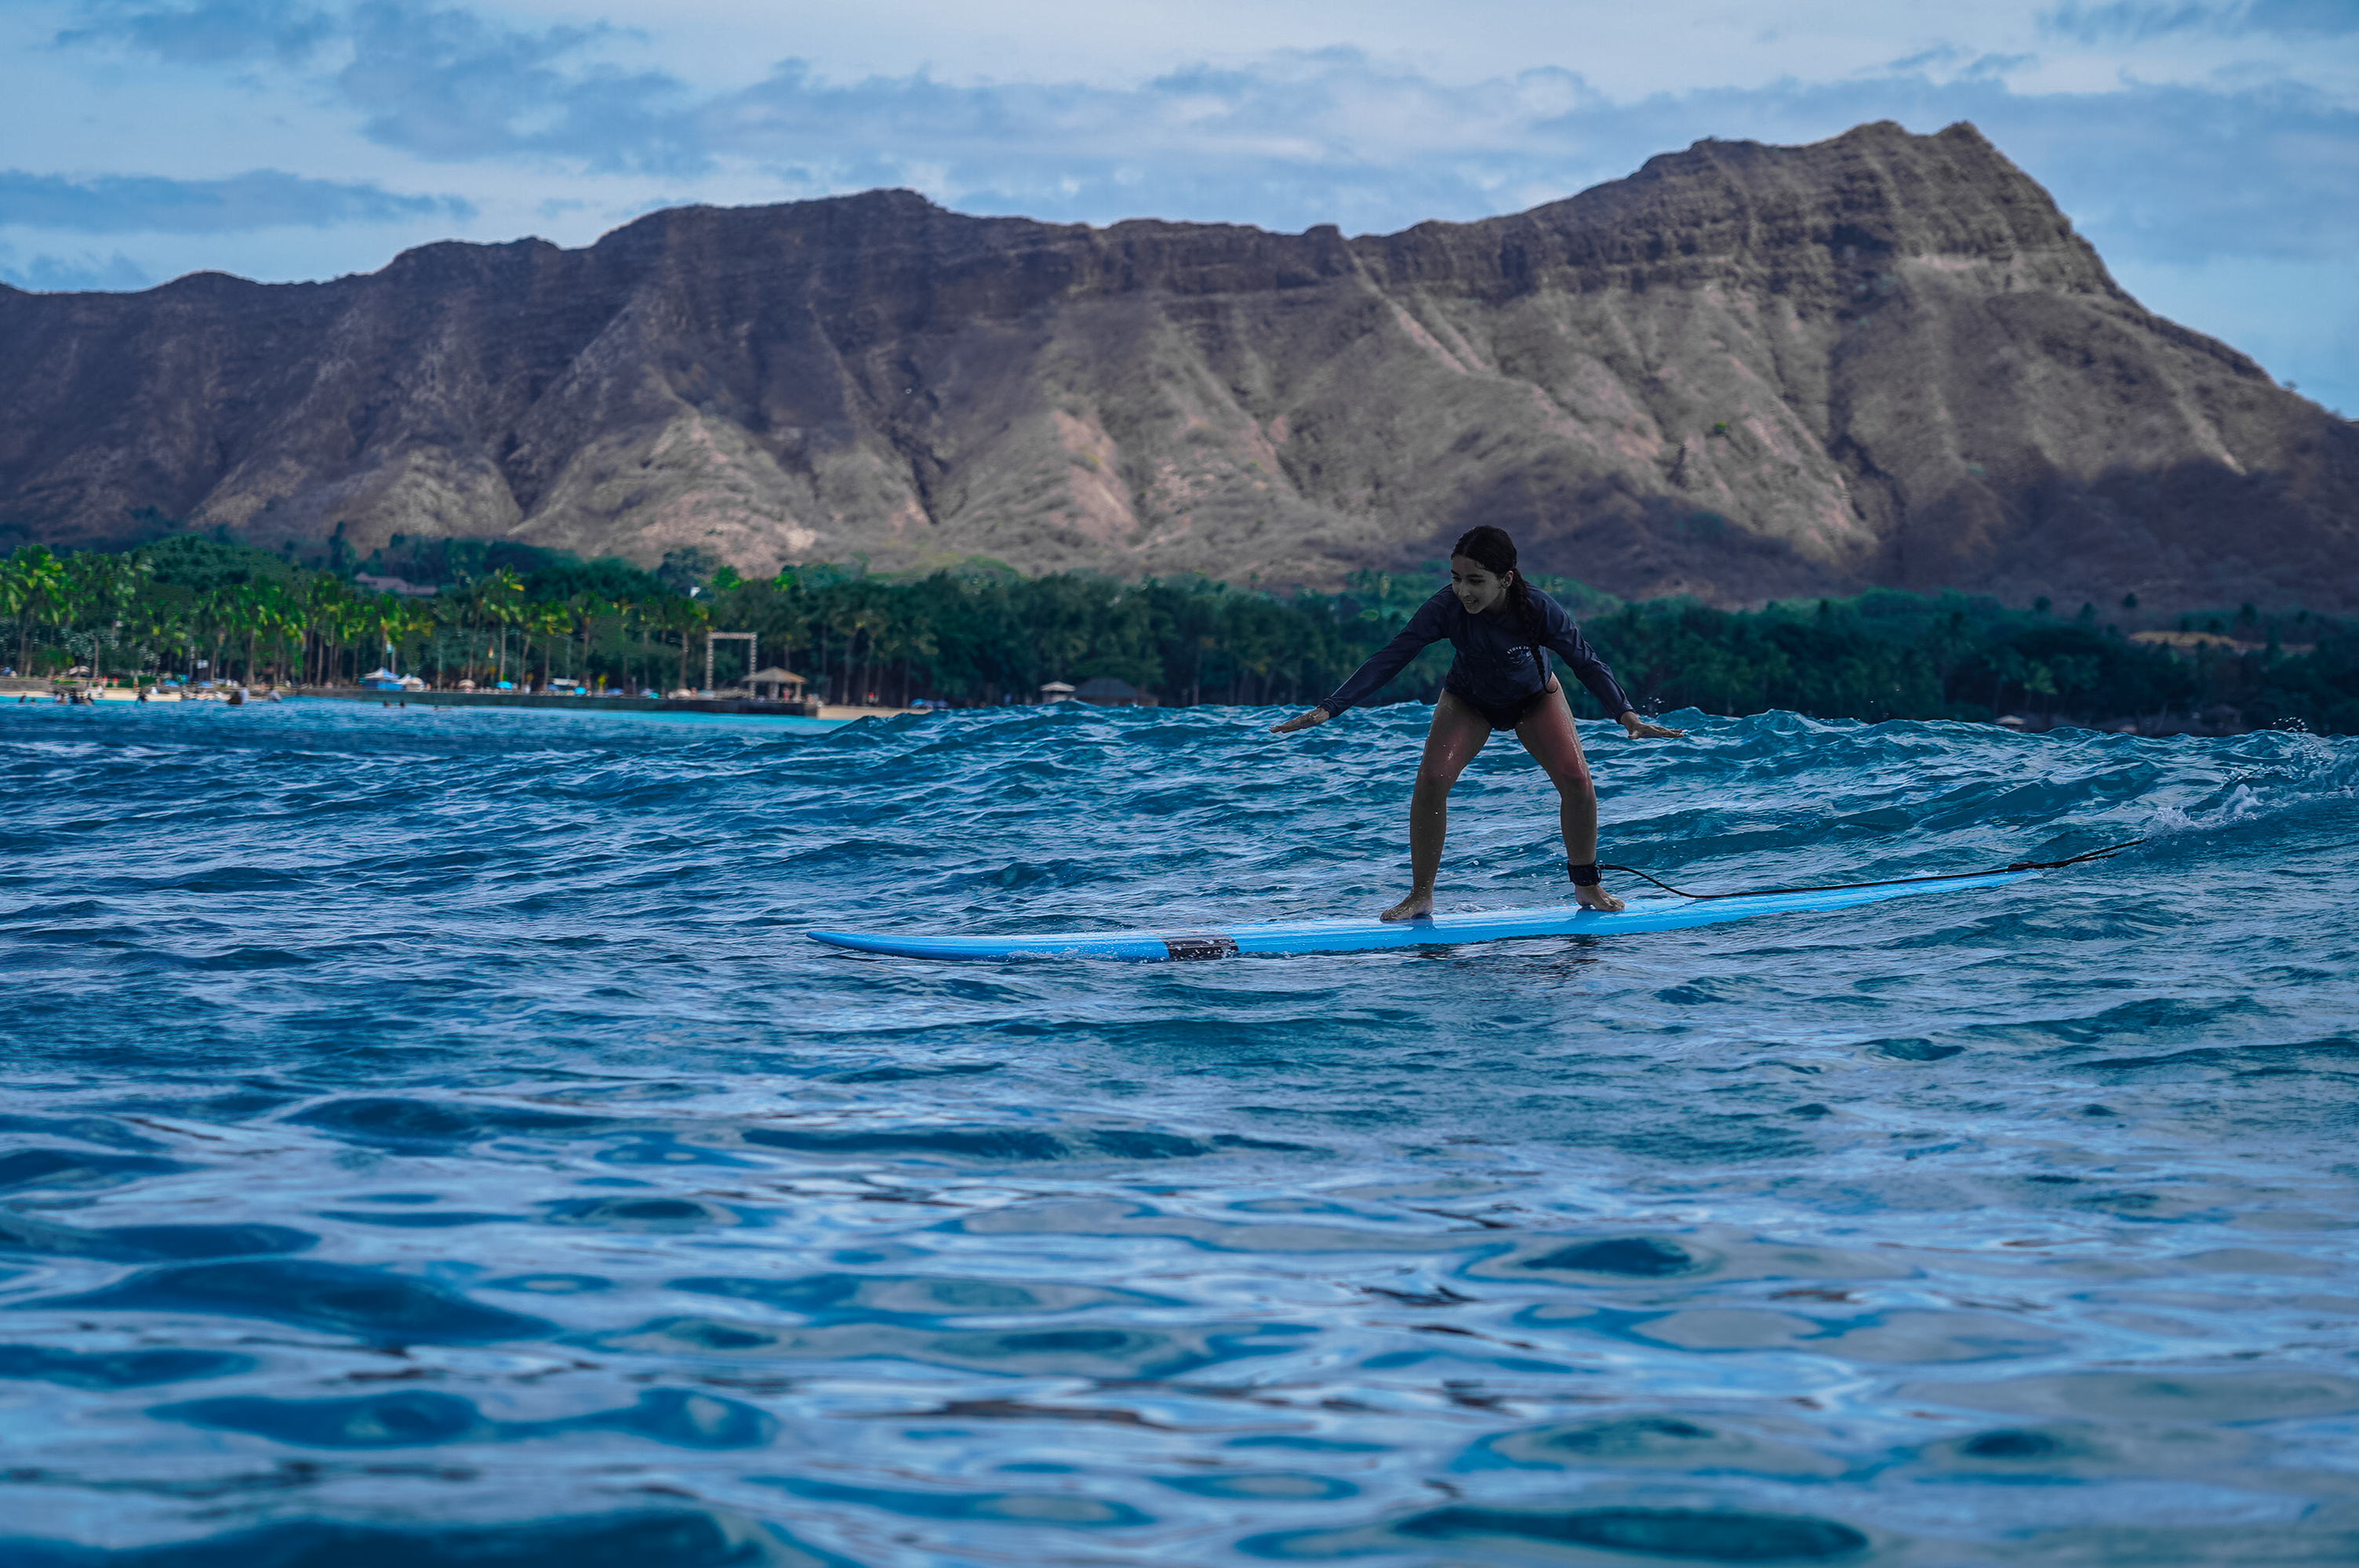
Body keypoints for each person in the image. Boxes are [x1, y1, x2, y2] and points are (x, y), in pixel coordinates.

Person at [1271, 525, 1683, 920]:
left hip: (1535, 699)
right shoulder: (1445, 608)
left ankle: (1587, 884)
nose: (1463, 590)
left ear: (1505, 579)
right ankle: (1420, 896)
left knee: (1577, 780)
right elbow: (1393, 655)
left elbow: (1585, 662)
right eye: (1456, 578)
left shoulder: (1537, 609)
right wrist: (1330, 707)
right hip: (1469, 700)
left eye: (1475, 580)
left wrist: (1627, 716)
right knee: (1432, 781)